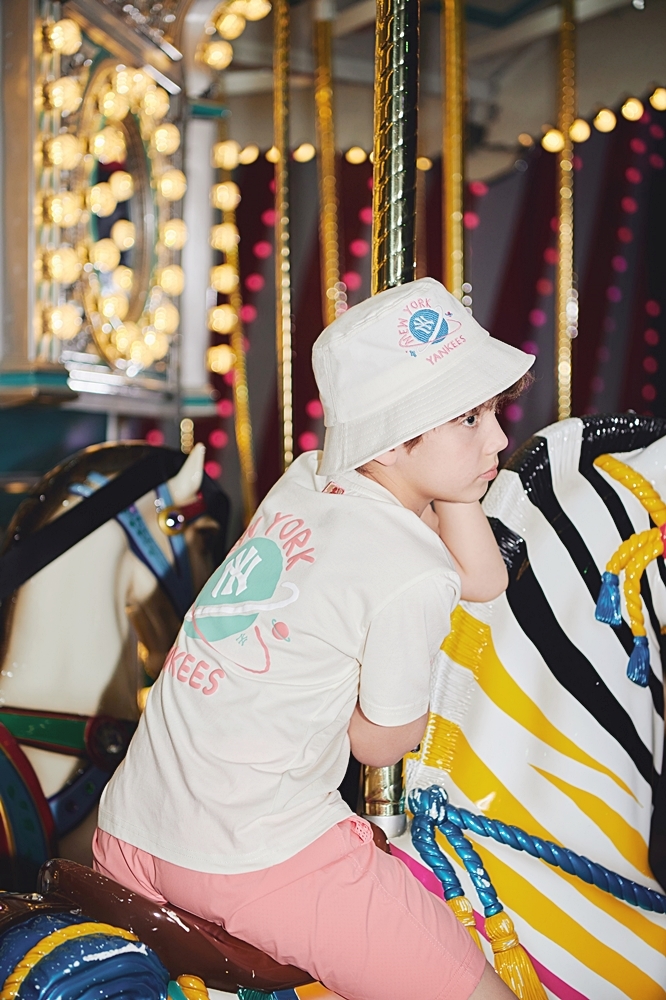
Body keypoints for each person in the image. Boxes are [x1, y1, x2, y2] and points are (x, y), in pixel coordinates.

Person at [94, 277, 534, 1000]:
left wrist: (456, 484)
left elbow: (483, 580)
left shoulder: (305, 481)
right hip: (250, 852)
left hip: (131, 827)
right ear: (392, 436)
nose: (499, 438)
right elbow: (378, 746)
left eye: (492, 412)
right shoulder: (413, 572)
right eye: (468, 418)